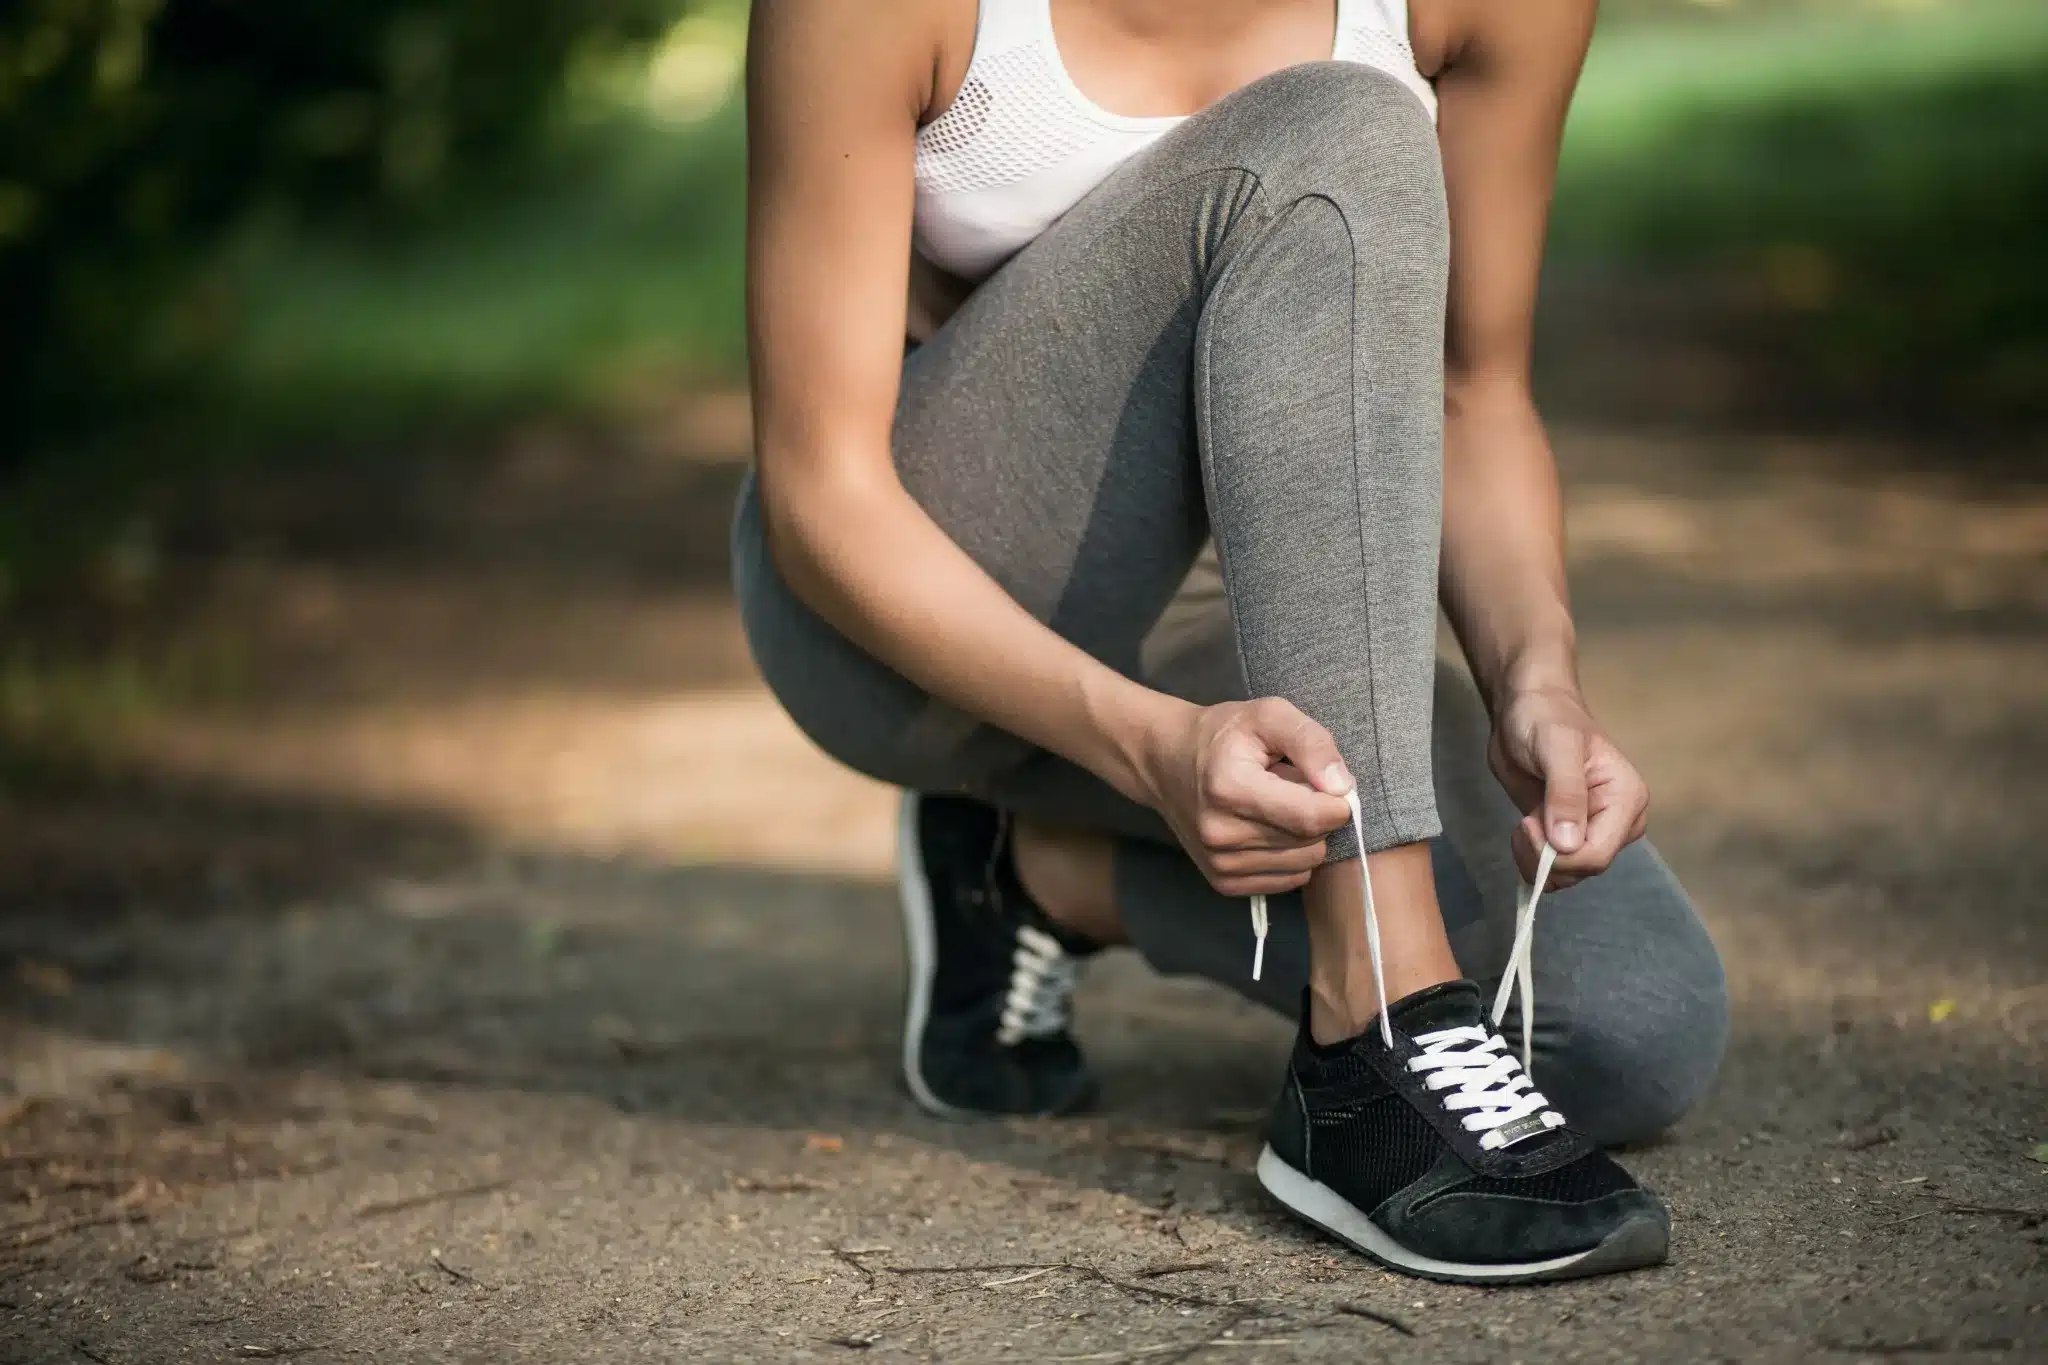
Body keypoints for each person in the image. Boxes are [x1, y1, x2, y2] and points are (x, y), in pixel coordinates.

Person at [732, 0, 1729, 1284]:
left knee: (1628, 1028)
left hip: (1234, 638)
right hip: (903, 622)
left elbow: (1472, 393)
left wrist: (1533, 676)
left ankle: (1028, 876)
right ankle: (1374, 1028)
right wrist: (1144, 748)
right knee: (1334, 129)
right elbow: (823, 493)